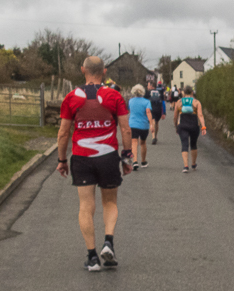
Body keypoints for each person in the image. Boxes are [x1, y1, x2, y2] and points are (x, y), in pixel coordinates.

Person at [56, 56, 133, 271]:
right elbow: (126, 129)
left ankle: (92, 257)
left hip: (81, 157)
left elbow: (63, 133)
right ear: (105, 71)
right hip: (108, 156)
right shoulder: (114, 95)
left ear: (83, 70)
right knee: (109, 203)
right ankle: (108, 242)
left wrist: (62, 160)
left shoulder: (71, 97)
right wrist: (127, 158)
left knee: (86, 206)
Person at [173, 85, 207, 173]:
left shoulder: (179, 102)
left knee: (184, 144)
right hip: (194, 126)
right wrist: (203, 127)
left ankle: (185, 166)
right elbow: (200, 115)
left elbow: (175, 116)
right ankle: (193, 164)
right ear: (192, 92)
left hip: (182, 126)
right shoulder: (196, 102)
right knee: (193, 144)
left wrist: (176, 126)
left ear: (183, 93)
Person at [147, 79, 166, 144]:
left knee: (152, 122)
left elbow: (145, 102)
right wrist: (164, 112)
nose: (147, 87)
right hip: (159, 109)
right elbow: (163, 102)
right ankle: (155, 136)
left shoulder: (148, 93)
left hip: (152, 108)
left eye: (148, 85)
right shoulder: (160, 92)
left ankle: (153, 137)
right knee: (157, 122)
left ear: (152, 86)